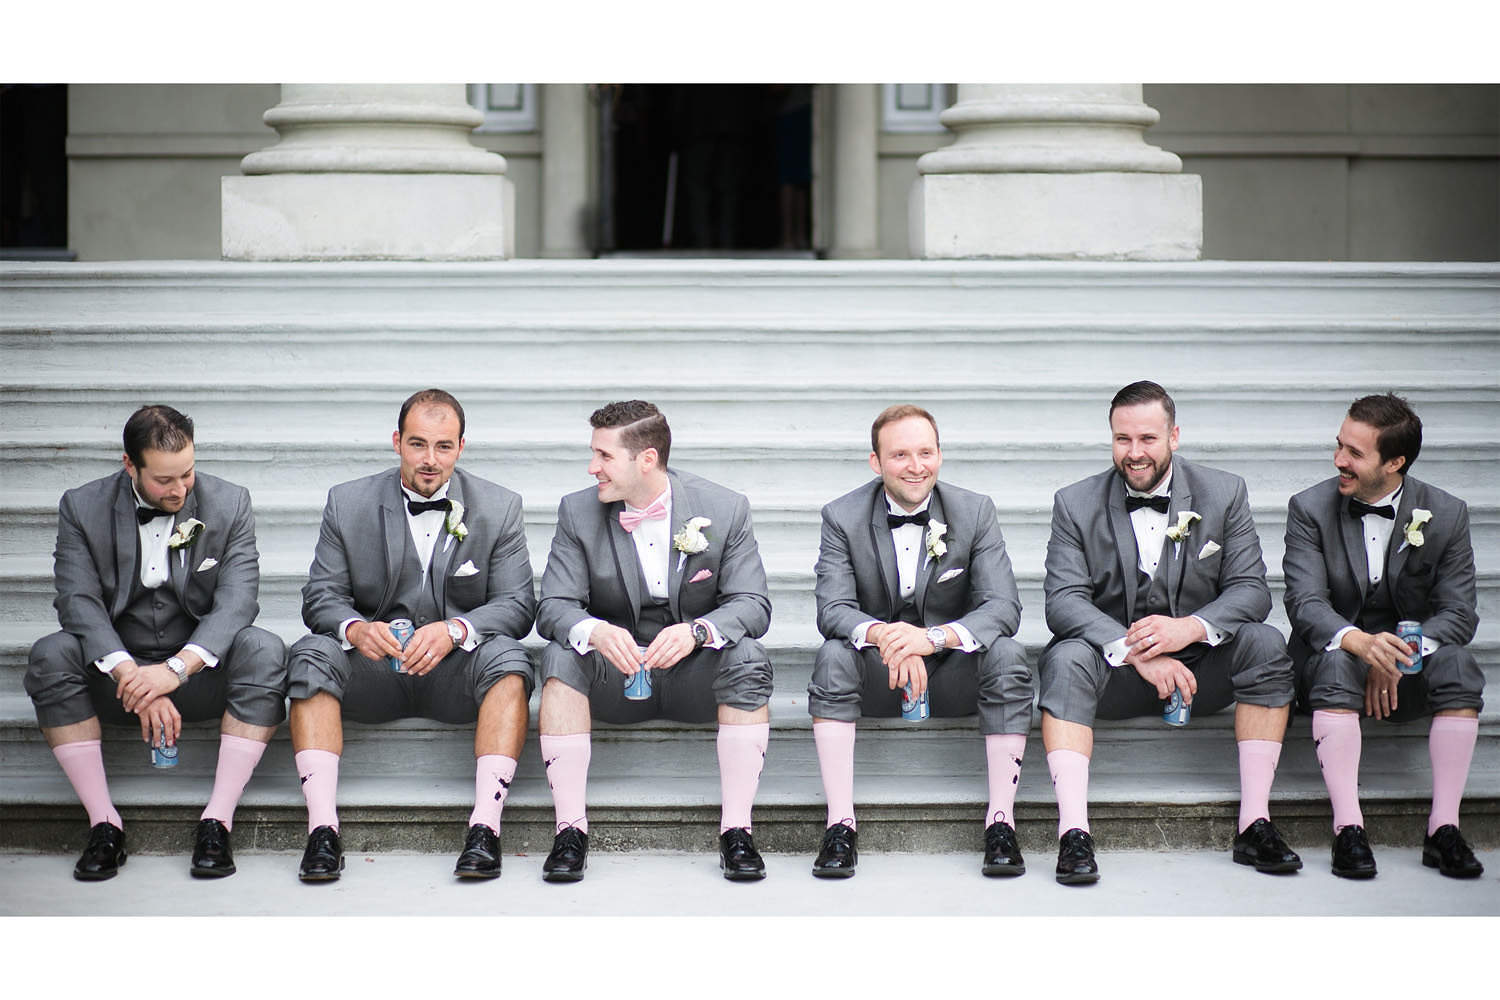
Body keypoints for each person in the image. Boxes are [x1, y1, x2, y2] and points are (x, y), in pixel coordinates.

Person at [1038, 381, 1301, 884]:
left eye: (1147, 439)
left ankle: (1255, 822)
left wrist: (1187, 630)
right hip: (1112, 674)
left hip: (1201, 672)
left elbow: (1252, 591)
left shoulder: (1224, 493)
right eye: (1122, 440)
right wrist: (1136, 650)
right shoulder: (1074, 503)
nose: (1134, 453)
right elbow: (1063, 601)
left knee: (1266, 642)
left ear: (1174, 436)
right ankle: (1074, 833)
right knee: (1065, 657)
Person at [25, 404, 286, 881]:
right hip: (115, 677)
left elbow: (238, 602)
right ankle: (104, 823)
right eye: (165, 480)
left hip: (197, 673)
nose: (180, 489)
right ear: (130, 464)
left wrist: (173, 672)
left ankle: (217, 821)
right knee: (50, 654)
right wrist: (132, 676)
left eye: (187, 473)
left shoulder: (229, 503)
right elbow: (77, 602)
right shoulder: (82, 507)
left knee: (265, 648)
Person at [285, 389, 535, 882]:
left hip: (455, 676)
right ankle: (322, 832)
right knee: (311, 653)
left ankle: (485, 829)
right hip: (372, 671)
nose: (429, 459)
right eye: (418, 444)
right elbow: (320, 598)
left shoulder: (500, 507)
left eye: (443, 446)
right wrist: (355, 629)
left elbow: (517, 605)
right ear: (397, 441)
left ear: (461, 448)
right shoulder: (347, 501)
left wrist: (457, 629)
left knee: (510, 658)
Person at [535, 400, 773, 882]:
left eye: (604, 456)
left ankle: (737, 831)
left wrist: (698, 631)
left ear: (646, 459)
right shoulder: (577, 512)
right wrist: (595, 631)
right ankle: (570, 831)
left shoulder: (725, 508)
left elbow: (753, 605)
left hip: (694, 675)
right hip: (614, 675)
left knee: (747, 656)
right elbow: (553, 607)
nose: (592, 467)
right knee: (560, 654)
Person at [807, 405, 1033, 878]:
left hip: (952, 671)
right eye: (900, 455)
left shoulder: (974, 512)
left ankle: (1001, 822)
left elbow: (1003, 608)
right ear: (876, 462)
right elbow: (833, 609)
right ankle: (840, 824)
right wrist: (888, 636)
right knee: (832, 655)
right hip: (878, 674)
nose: (916, 466)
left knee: (1009, 654)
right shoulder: (842, 517)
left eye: (925, 452)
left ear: (940, 455)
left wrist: (931, 639)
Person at [1283, 393, 1484, 879]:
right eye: (1339, 446)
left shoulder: (1447, 513)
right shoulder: (1310, 507)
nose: (1338, 461)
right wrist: (1360, 645)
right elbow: (1305, 604)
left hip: (1407, 667)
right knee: (1332, 662)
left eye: (1354, 453)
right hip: (1335, 662)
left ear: (1395, 462)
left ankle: (1443, 829)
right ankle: (1348, 828)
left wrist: (1394, 655)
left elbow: (1459, 613)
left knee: (1459, 663)